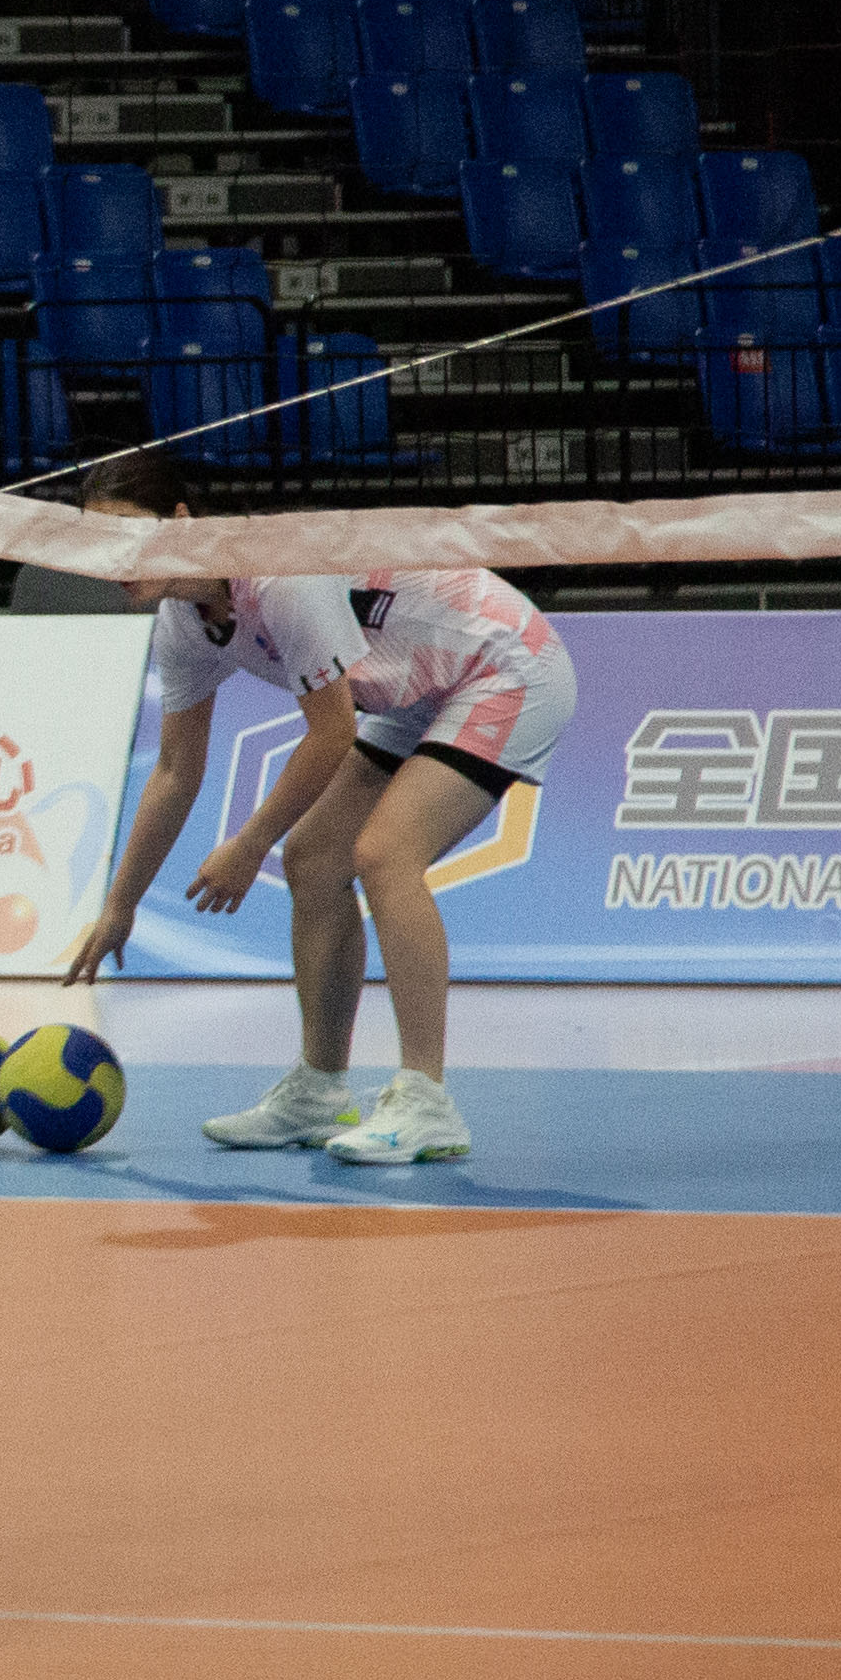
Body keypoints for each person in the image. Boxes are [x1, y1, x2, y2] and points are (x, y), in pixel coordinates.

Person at [51, 452, 573, 1166]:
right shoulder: (184, 620)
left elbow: (329, 732)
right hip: (413, 689)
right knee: (314, 857)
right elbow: (174, 771)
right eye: (94, 543)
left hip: (501, 664)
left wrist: (247, 843)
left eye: (128, 535)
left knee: (384, 855)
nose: (112, 560)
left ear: (181, 521)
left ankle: (427, 1100)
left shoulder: (276, 576)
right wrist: (119, 905)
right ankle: (320, 1089)